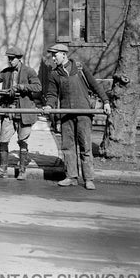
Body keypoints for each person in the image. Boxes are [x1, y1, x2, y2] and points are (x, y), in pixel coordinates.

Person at [43, 44, 111, 190]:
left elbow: (95, 85)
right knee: (68, 146)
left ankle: (88, 178)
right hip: (66, 115)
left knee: (85, 146)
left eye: (55, 55)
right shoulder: (54, 74)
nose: (53, 58)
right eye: (52, 55)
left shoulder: (80, 68)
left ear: (63, 54)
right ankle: (71, 177)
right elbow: (52, 94)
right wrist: (49, 105)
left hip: (84, 114)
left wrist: (105, 101)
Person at [0, 47, 42, 180]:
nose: (10, 61)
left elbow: (38, 87)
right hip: (8, 111)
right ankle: (2, 170)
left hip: (24, 112)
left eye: (13, 59)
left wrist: (22, 87)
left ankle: (22, 171)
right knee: (3, 141)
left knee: (22, 141)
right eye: (9, 59)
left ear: (19, 59)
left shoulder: (29, 71)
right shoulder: (6, 73)